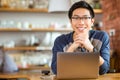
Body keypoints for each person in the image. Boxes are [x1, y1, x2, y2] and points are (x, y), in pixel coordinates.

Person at [51, 1, 110, 75]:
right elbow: (56, 70)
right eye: (76, 18)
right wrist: (72, 48)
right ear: (71, 22)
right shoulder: (60, 40)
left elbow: (104, 69)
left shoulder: (102, 37)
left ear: (92, 21)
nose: (81, 22)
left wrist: (91, 48)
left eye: (85, 18)